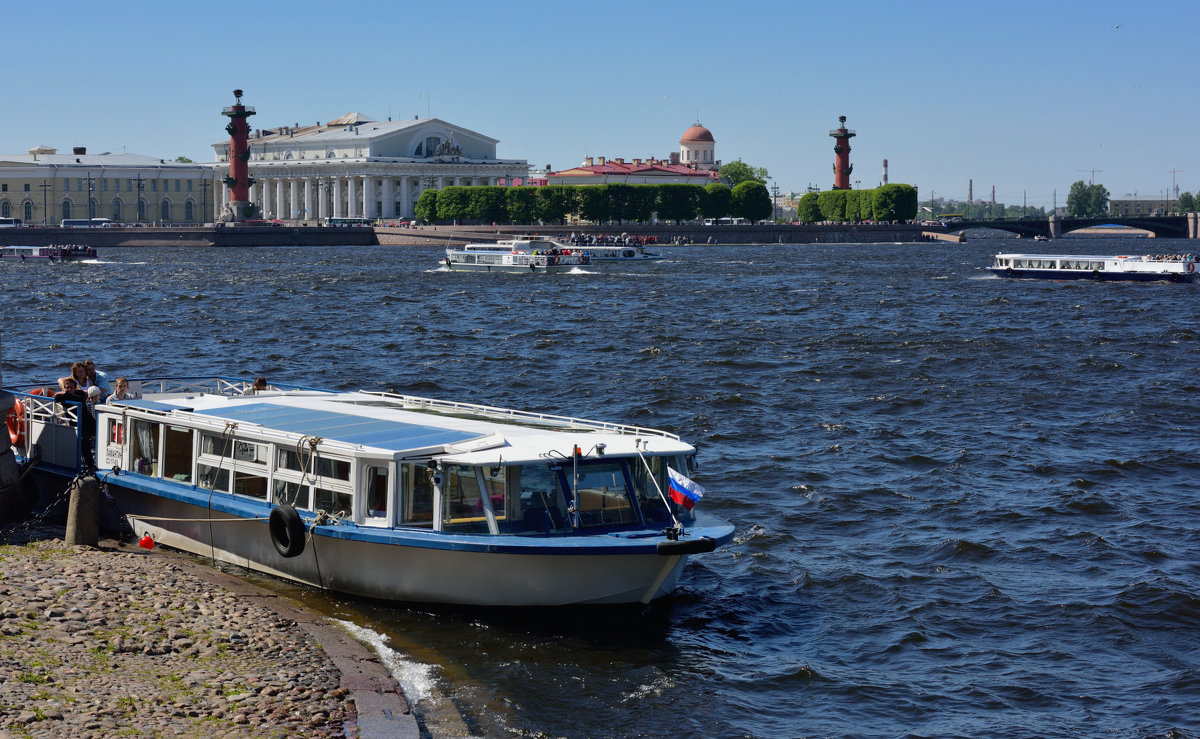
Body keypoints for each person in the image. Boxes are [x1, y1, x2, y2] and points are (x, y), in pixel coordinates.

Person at [54, 378, 95, 470]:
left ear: (75, 387)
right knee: (83, 441)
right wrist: (63, 394)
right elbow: (56, 398)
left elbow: (79, 399)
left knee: (86, 439)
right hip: (75, 422)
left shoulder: (79, 394)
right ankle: (88, 464)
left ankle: (90, 463)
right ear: (63, 388)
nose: (69, 389)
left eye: (71, 387)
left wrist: (64, 394)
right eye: (67, 387)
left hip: (87, 421)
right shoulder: (64, 396)